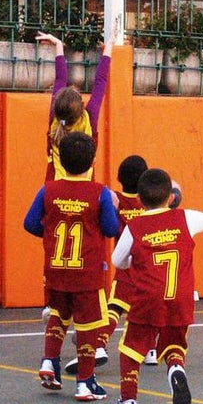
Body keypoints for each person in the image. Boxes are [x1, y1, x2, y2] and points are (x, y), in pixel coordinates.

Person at [106, 170, 203, 404]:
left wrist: (133, 262)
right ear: (172, 197)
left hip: (148, 296)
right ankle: (175, 368)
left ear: (139, 200)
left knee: (131, 346)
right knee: (174, 341)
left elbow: (117, 260)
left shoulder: (135, 226)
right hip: (180, 296)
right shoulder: (186, 218)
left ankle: (128, 400)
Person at [23, 132, 121, 401]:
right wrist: (113, 207)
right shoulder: (100, 193)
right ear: (92, 161)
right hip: (87, 273)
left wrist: (51, 234)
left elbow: (30, 224)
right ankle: (85, 383)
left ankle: (49, 361)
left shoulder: (48, 189)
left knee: (58, 313)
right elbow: (111, 229)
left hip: (56, 270)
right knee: (89, 325)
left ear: (61, 160)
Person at [36, 30, 113, 324]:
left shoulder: (54, 122)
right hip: (85, 189)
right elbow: (101, 83)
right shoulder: (89, 119)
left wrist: (59, 47)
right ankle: (91, 300)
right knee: (90, 243)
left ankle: (51, 301)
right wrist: (108, 51)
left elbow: (59, 81)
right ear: (81, 107)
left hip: (54, 188)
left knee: (52, 245)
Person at [63, 154, 159, 375]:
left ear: (119, 178)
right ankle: (150, 350)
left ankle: (98, 344)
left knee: (115, 307)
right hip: (151, 267)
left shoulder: (115, 199)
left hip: (127, 265)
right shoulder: (149, 204)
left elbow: (109, 225)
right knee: (147, 309)